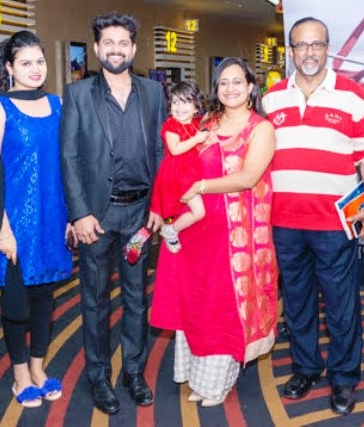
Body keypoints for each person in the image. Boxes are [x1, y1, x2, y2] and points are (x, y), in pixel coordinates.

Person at [262, 17, 364, 415]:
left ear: (328, 48)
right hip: (284, 222)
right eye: (301, 45)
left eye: (316, 44)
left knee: (340, 305)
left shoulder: (353, 95)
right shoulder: (272, 98)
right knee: (297, 302)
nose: (309, 52)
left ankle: (344, 377)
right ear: (291, 51)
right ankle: (306, 367)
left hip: (334, 224)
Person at [149, 57, 277, 407]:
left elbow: (248, 178)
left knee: (222, 305)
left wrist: (202, 186)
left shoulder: (261, 128)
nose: (230, 88)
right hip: (195, 230)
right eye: (223, 82)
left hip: (236, 236)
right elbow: (176, 164)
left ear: (251, 87)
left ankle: (216, 383)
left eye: (237, 82)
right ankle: (199, 378)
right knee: (196, 303)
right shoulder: (205, 122)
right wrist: (164, 207)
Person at [59, 12, 166, 415]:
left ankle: (133, 372)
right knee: (96, 299)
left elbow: (161, 151)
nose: (116, 49)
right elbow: (69, 156)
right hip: (97, 218)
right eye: (108, 43)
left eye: (123, 43)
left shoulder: (153, 93)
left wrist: (159, 206)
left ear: (133, 48)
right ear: (97, 48)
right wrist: (79, 213)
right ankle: (99, 376)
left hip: (140, 215)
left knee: (137, 297)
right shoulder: (79, 93)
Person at [0, 30, 72, 408]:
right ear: (10, 67)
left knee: (45, 298)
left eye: (40, 61)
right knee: (17, 304)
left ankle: (38, 368)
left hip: (52, 218)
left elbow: (67, 164)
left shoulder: (57, 104)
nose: (35, 69)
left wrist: (72, 215)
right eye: (26, 63)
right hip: (14, 222)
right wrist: (2, 230)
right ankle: (20, 376)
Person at [151, 80, 209, 253]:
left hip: (190, 172)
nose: (179, 107)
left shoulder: (197, 123)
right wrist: (196, 139)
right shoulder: (171, 125)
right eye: (175, 102)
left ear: (196, 107)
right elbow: (175, 150)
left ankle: (172, 230)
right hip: (178, 175)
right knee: (198, 212)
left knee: (181, 211)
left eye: (185, 102)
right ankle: (170, 230)